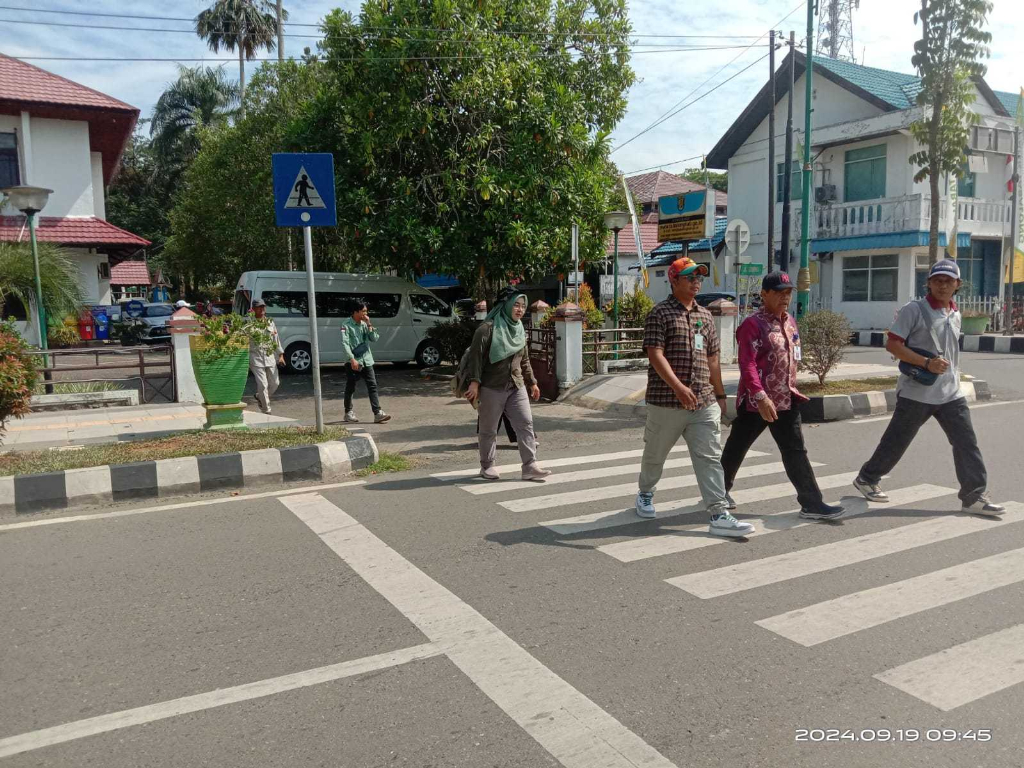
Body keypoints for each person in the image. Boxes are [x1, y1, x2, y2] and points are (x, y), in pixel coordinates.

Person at [853, 259, 1004, 515]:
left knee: (966, 442)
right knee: (897, 441)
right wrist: (926, 362)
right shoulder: (914, 310)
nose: (943, 285)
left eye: (948, 281)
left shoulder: (955, 313)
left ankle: (973, 496)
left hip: (951, 394)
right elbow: (893, 345)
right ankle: (867, 478)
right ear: (929, 283)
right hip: (917, 392)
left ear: (958, 285)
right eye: (937, 280)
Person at [634, 257, 753, 537]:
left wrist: (720, 394)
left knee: (710, 457)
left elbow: (713, 358)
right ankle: (645, 492)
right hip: (666, 402)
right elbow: (655, 353)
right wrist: (677, 386)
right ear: (674, 280)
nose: (696, 282)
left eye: (699, 277)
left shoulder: (705, 315)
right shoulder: (660, 314)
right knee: (655, 455)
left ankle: (718, 512)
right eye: (689, 277)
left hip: (703, 401)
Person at [720, 272, 845, 520]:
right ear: (764, 294)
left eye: (787, 293)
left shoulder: (789, 322)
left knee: (795, 450)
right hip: (758, 403)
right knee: (736, 448)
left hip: (786, 400)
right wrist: (760, 396)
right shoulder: (752, 325)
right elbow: (747, 365)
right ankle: (718, 492)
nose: (784, 297)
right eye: (778, 292)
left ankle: (812, 503)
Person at [465, 290, 550, 482]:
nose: (520, 310)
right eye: (516, 305)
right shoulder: (486, 329)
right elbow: (475, 359)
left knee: (525, 423)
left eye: (522, 306)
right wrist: (475, 383)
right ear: (506, 305)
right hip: (491, 386)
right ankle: (487, 466)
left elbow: (524, 360)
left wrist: (532, 383)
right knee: (489, 429)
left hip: (516, 385)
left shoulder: (519, 329)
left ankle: (530, 466)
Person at [342, 301, 391, 424]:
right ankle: (348, 412)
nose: (366, 313)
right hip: (354, 362)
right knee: (351, 387)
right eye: (363, 311)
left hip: (367, 360)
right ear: (356, 311)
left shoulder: (364, 324)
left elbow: (374, 338)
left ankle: (377, 413)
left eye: (366, 311)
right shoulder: (346, 325)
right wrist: (351, 359)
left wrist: (369, 324)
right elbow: (345, 343)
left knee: (372, 386)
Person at [248, 298, 284, 414]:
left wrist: (281, 355)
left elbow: (276, 339)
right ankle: (266, 410)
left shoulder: (270, 322)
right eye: (259, 307)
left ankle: (260, 397)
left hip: (269, 357)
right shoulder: (249, 324)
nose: (262, 309)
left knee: (275, 383)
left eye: (263, 306)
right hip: (256, 358)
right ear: (254, 309)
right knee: (263, 384)